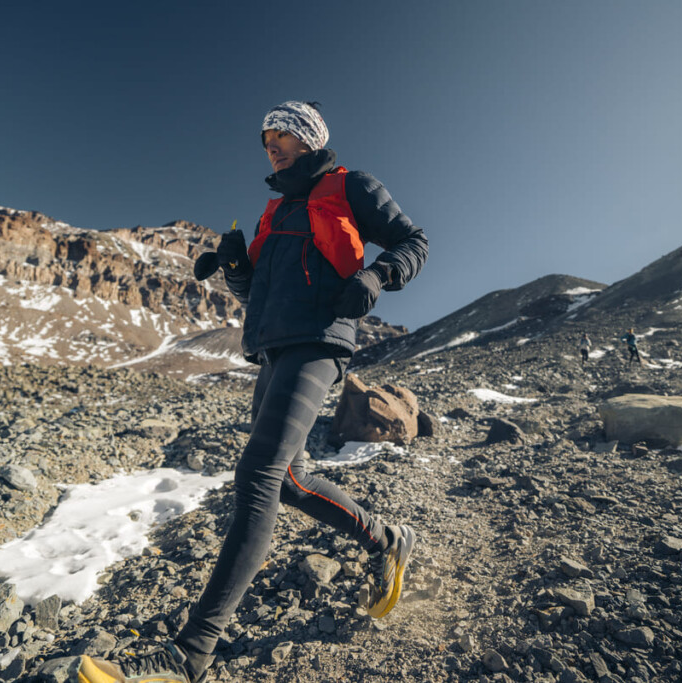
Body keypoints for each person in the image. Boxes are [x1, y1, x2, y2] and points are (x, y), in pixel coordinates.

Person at [78, 101, 428, 683]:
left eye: (282, 137)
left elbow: (413, 241)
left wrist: (376, 275)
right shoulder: (276, 211)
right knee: (287, 479)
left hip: (319, 343)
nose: (272, 148)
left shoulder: (352, 186)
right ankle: (387, 540)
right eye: (267, 142)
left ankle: (187, 656)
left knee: (258, 476)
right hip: (272, 350)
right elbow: (255, 295)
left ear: (309, 138)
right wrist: (236, 268)